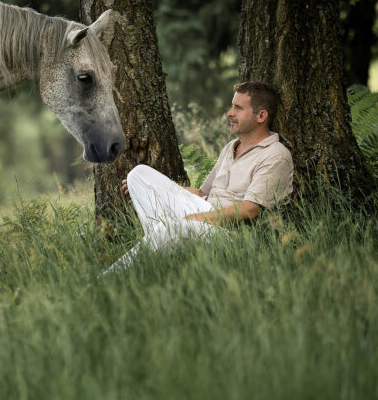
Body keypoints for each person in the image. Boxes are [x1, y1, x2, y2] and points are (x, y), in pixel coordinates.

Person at [102, 81, 293, 275]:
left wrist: (196, 219)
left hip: (231, 235)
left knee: (175, 227)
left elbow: (250, 210)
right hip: (204, 213)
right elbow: (202, 193)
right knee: (138, 174)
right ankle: (163, 244)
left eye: (238, 108)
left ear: (261, 116)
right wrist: (156, 187)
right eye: (231, 106)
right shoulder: (231, 147)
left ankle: (112, 277)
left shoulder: (275, 155)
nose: (229, 113)